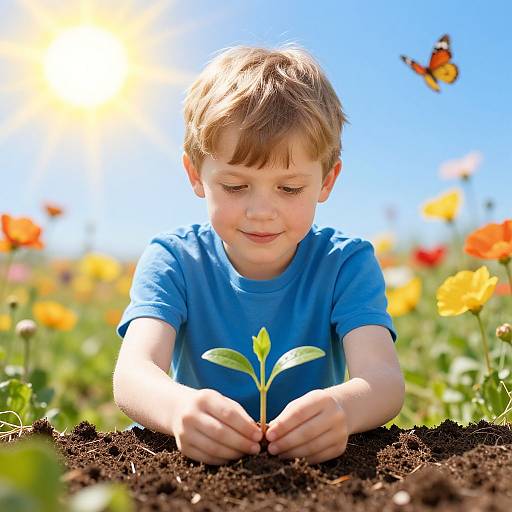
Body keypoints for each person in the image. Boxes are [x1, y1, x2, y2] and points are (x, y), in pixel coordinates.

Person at [113, 44, 404, 466]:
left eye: (289, 189)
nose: (261, 212)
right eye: (235, 186)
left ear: (327, 180)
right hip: (192, 463)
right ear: (196, 174)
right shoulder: (174, 259)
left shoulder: (345, 264)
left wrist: (342, 409)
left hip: (308, 465)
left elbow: (383, 379)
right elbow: (133, 374)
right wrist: (179, 410)